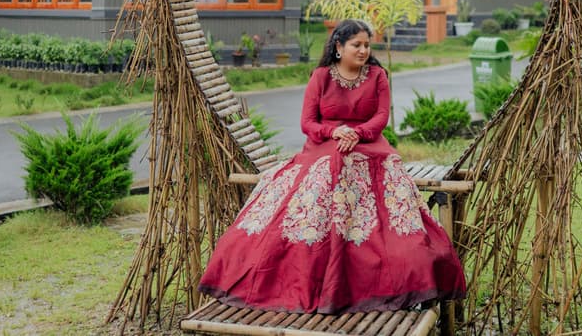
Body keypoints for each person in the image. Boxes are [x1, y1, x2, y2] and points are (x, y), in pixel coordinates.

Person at [199, 19, 467, 313]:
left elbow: (380, 118)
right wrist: (335, 132)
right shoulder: (320, 77)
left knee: (381, 184)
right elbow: (307, 123)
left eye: (367, 45)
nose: (363, 50)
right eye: (357, 45)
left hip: (370, 144)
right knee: (324, 175)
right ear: (339, 47)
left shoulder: (377, 76)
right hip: (324, 144)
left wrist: (358, 133)